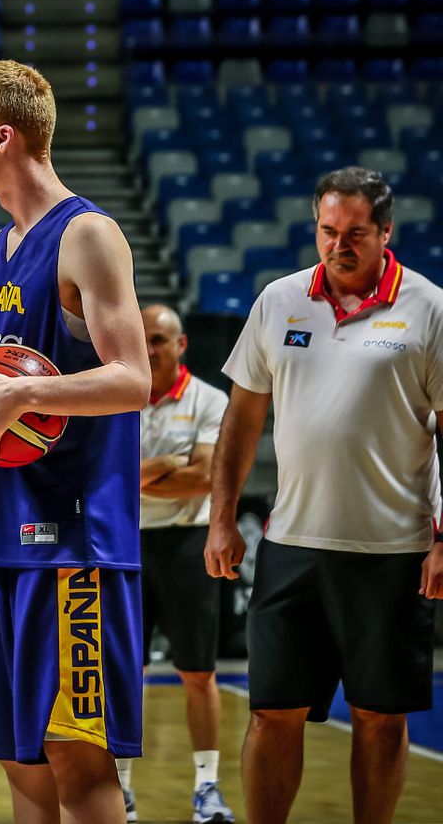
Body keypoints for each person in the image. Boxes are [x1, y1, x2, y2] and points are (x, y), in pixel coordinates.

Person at [0, 60, 151, 824]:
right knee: (18, 755)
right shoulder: (1, 246)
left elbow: (135, 377)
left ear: (4, 135)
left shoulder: (88, 233)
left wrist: (27, 388)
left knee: (76, 755)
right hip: (4, 533)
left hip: (73, 546)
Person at [206, 166, 443, 824]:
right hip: (290, 547)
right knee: (272, 710)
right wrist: (221, 519)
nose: (340, 244)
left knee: (377, 714)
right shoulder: (279, 300)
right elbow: (241, 421)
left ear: (386, 231)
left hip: (394, 550)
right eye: (328, 230)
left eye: (356, 232)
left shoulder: (429, 307)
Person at [119, 304, 233, 824]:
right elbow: (106, 478)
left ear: (181, 345)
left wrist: (139, 474)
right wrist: (169, 464)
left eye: (159, 339)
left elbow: (206, 478)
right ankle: (120, 787)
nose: (149, 348)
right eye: (142, 338)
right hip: (125, 546)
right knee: (123, 671)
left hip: (189, 544)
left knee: (198, 673)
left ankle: (207, 787)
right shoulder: (117, 397)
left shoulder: (211, 399)